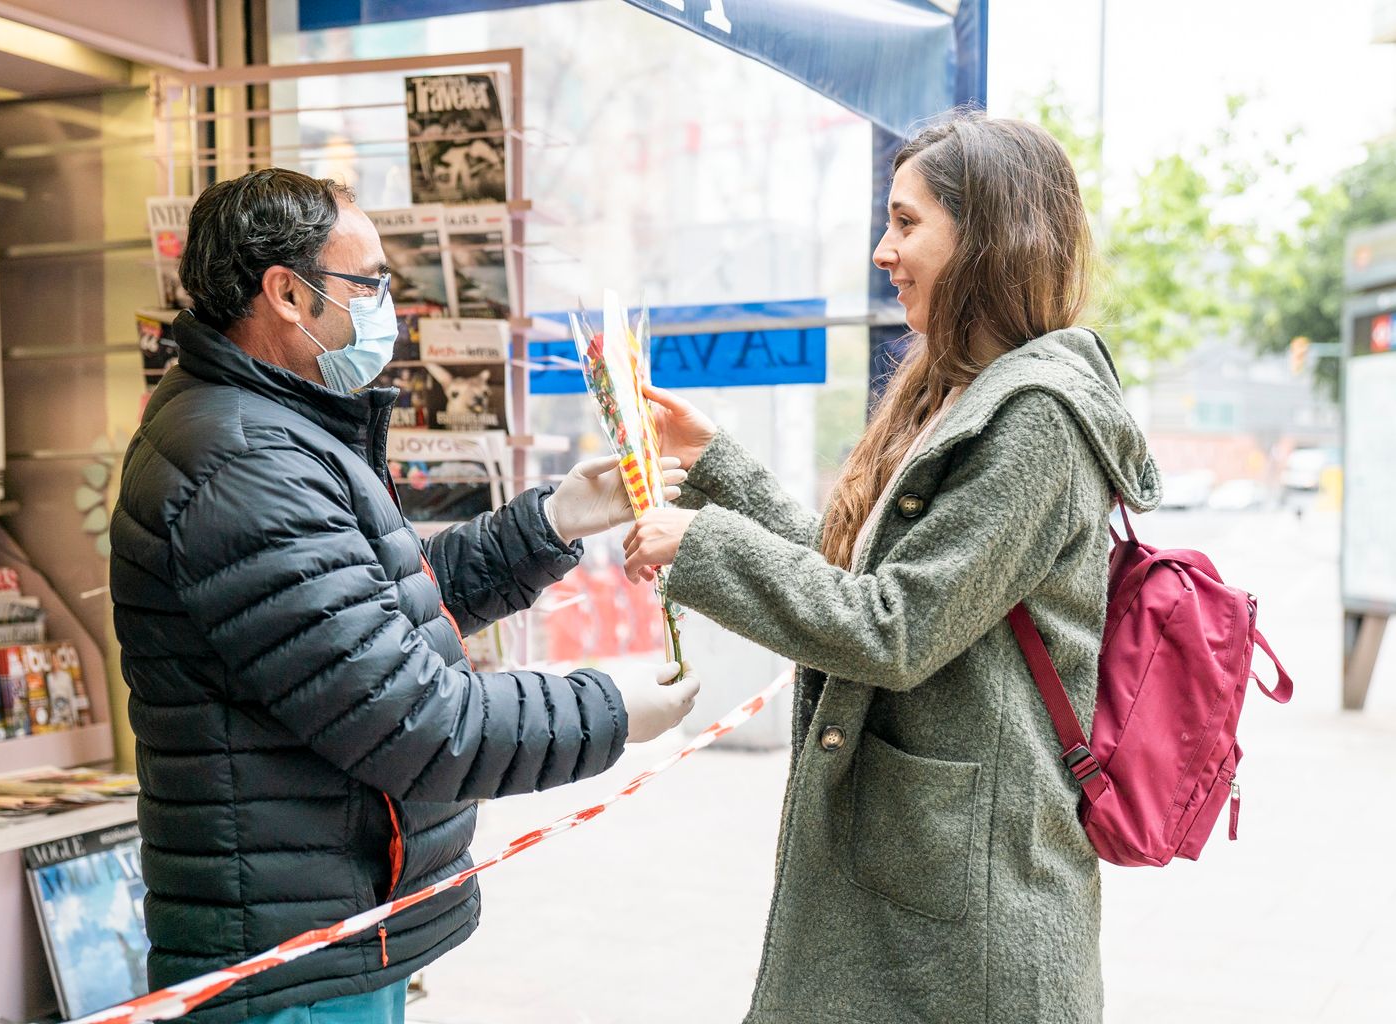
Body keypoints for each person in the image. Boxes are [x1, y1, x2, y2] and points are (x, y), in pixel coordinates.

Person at [110, 168, 700, 1024]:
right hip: (295, 963)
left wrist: (553, 522)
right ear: (287, 294)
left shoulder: (275, 429)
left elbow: (380, 611)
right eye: (369, 283)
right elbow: (410, 717)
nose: (389, 304)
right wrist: (606, 709)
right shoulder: (242, 462)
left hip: (332, 925)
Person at [623, 113, 1161, 1023]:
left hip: (972, 918)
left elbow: (893, 627)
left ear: (987, 236)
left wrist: (702, 547)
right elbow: (857, 575)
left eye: (906, 223)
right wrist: (718, 467)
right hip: (917, 883)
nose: (882, 250)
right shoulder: (959, 394)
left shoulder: (1036, 420)